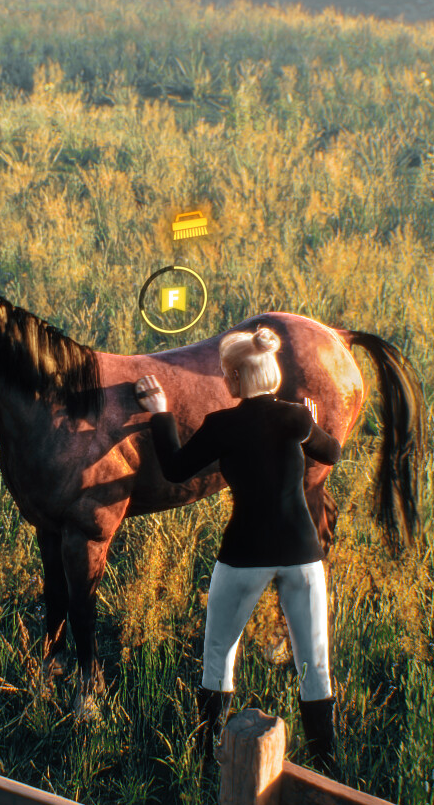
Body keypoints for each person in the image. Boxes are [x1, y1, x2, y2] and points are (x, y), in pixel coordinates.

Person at [134, 326, 343, 775]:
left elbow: (174, 469)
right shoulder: (295, 418)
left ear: (232, 380)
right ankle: (327, 769)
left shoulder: (221, 425)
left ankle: (207, 760)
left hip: (244, 555)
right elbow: (333, 453)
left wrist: (161, 413)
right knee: (315, 664)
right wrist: (311, 424)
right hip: (303, 557)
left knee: (219, 658)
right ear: (271, 371)